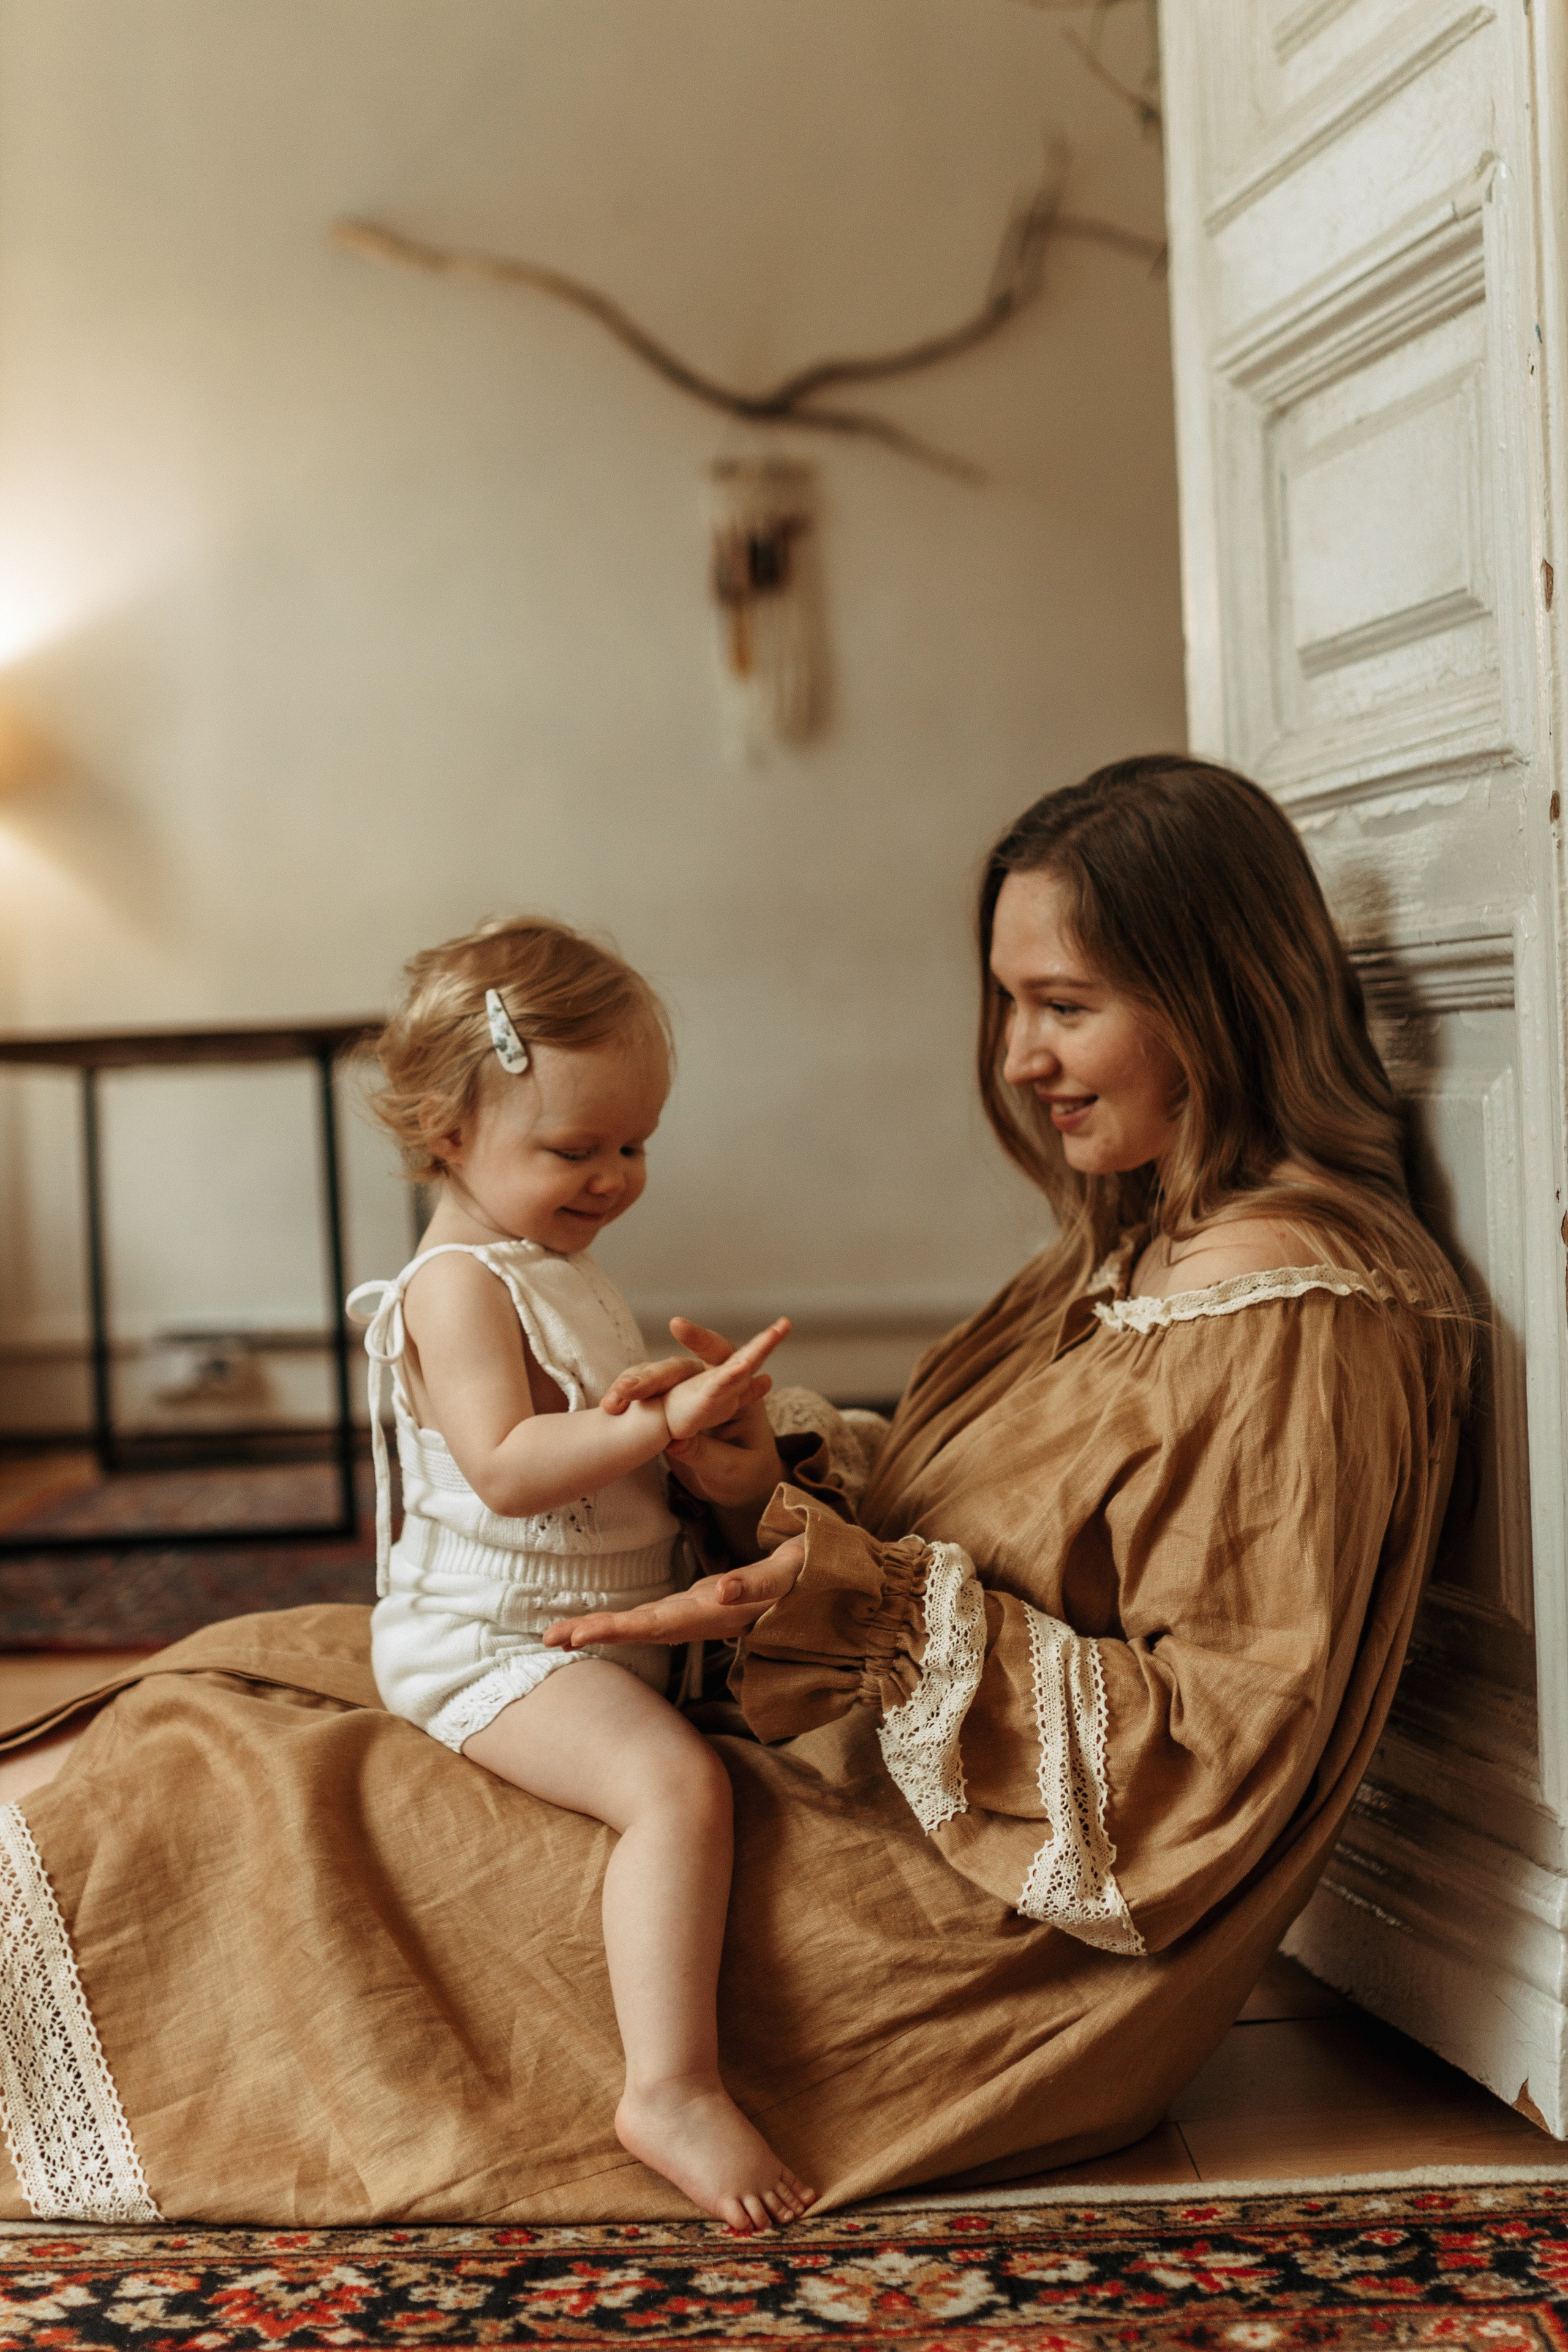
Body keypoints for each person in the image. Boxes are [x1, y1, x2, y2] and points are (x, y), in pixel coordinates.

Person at [0, 756, 1469, 2228]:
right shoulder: (1136, 1237)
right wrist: (759, 1481)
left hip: (960, 1896)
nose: (1019, 1057)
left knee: (255, 1796)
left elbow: (1207, 1762)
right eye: (1008, 1002)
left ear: (1218, 999)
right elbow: (968, 1505)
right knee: (230, 1675)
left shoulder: (1292, 1317)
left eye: (1065, 1006)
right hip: (845, 1740)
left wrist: (865, 1604)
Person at [347, 914, 810, 2233]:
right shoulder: (453, 1284)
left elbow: (585, 1438)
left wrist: (672, 1419)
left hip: (586, 1617)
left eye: (633, 1146)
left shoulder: (552, 1263)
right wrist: (645, 1426)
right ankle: (668, 2087)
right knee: (675, 1786)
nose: (614, 1177)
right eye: (574, 1150)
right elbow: (502, 1462)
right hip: (489, 1638)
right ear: (447, 1132)